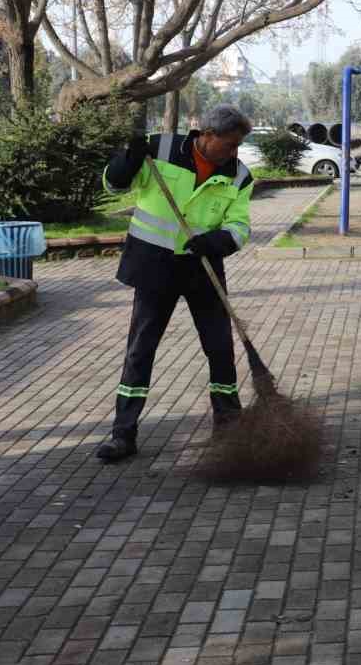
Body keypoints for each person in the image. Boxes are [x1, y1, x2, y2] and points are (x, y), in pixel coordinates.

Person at [94, 105, 255, 463]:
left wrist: (217, 242)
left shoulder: (239, 176)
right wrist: (127, 161)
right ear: (207, 135)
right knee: (140, 350)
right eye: (230, 144)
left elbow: (240, 226)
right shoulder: (159, 150)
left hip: (203, 267)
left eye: (238, 145)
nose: (235, 152)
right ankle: (123, 434)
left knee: (220, 349)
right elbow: (114, 183)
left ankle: (229, 427)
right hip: (155, 266)